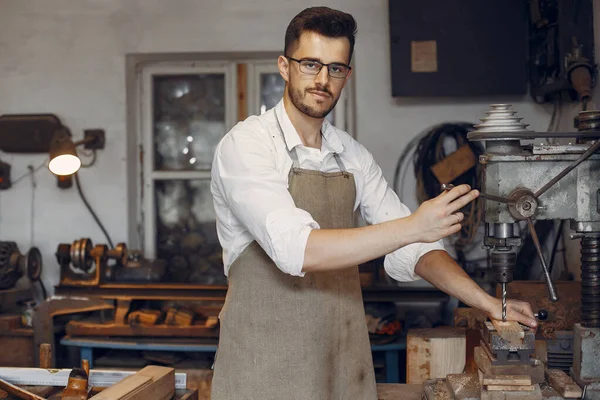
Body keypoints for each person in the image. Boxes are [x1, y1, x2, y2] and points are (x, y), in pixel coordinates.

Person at [209, 6, 537, 400]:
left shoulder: (350, 155)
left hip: (338, 364)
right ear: (284, 66)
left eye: (335, 68)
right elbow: (296, 250)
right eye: (310, 64)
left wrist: (489, 304)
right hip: (263, 371)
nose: (322, 79)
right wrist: (414, 225)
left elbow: (417, 248)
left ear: (347, 74)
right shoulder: (248, 145)